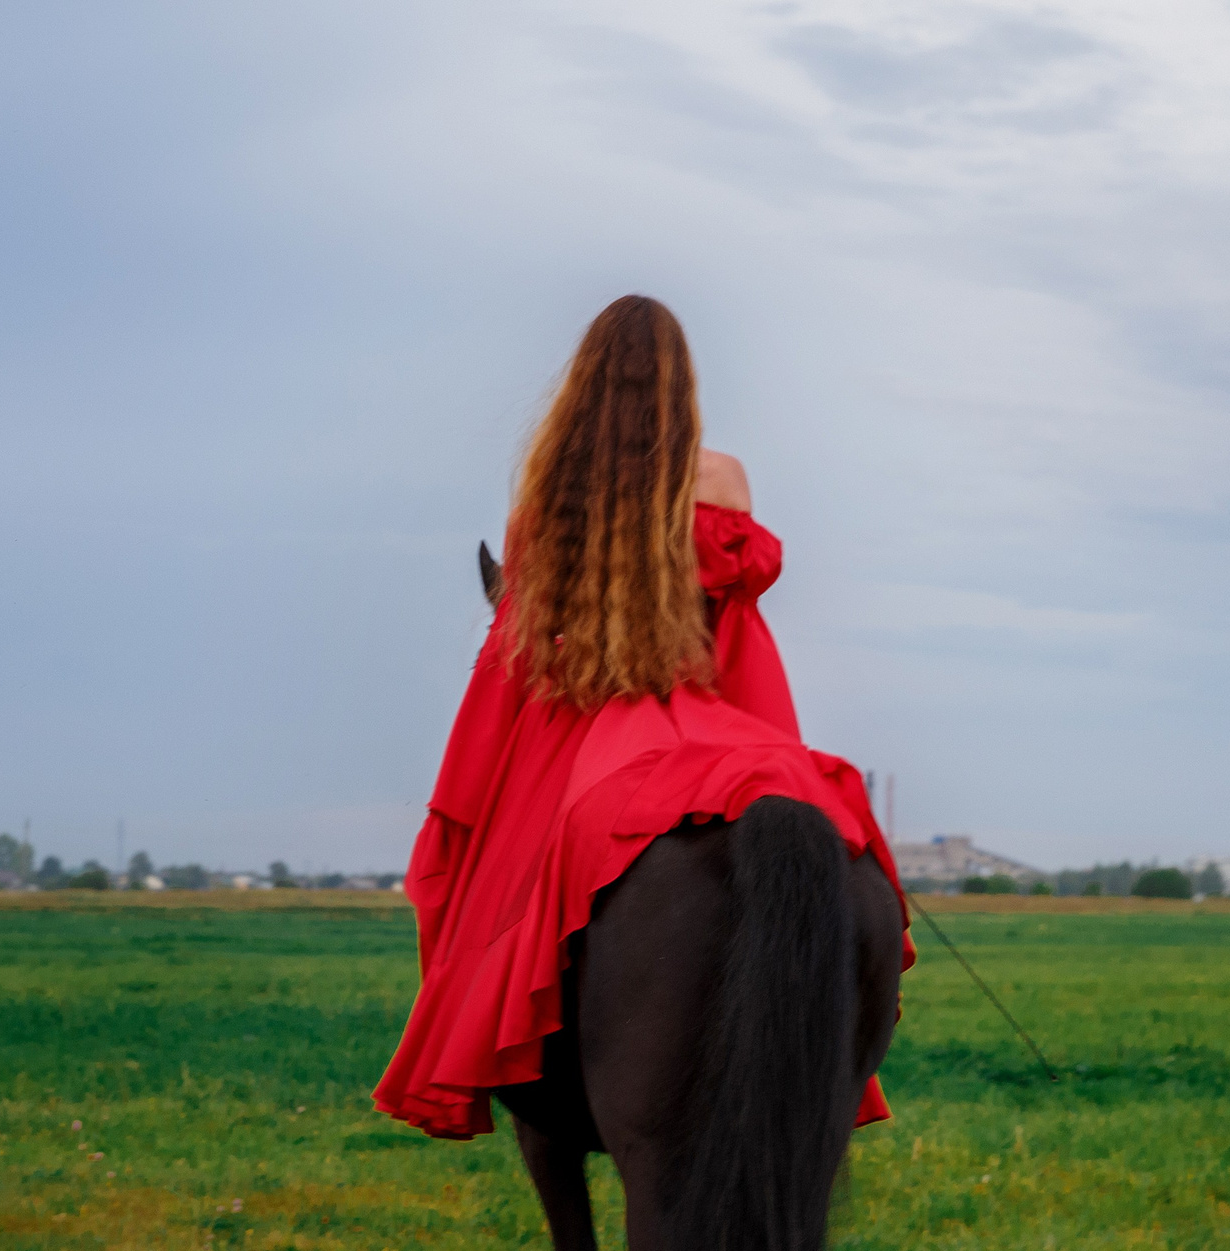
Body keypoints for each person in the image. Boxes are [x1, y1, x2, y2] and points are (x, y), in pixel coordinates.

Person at [373, 295, 911, 1139]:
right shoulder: (723, 479)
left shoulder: (545, 496)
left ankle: (495, 1040)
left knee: (487, 896)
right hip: (704, 718)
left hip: (579, 730)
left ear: (583, 383)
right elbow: (736, 634)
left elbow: (522, 654)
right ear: (681, 382)